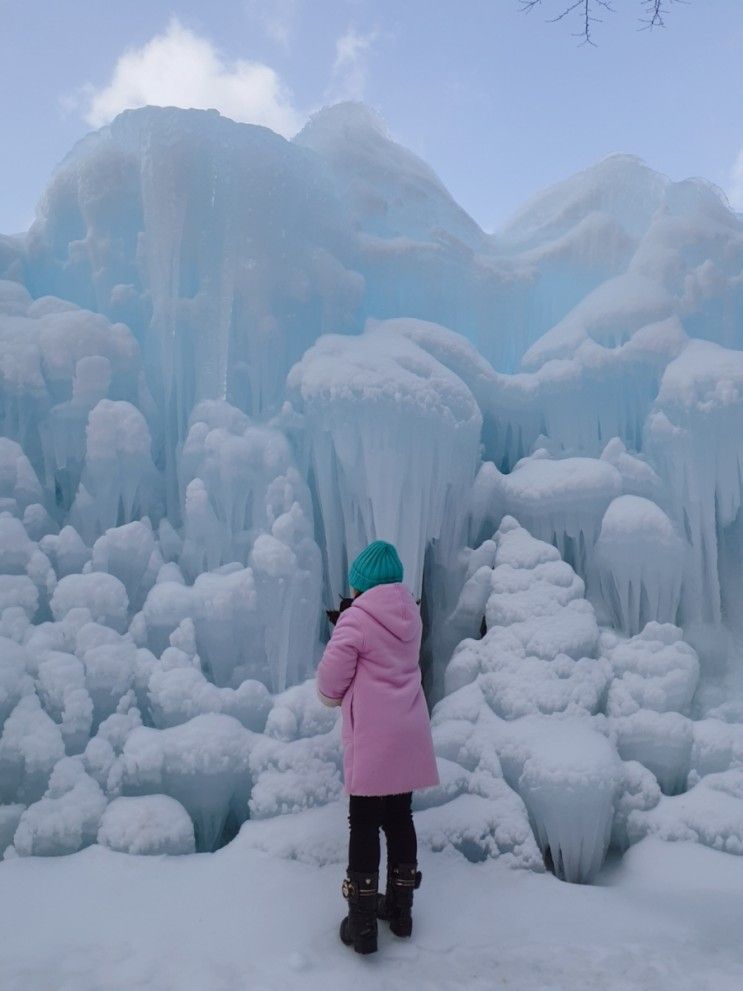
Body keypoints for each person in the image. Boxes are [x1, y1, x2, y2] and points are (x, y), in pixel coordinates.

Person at [316, 540, 440, 955]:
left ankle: (363, 922)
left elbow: (331, 679)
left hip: (373, 738)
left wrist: (331, 695)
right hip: (408, 733)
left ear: (361, 586)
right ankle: (400, 912)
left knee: (364, 822)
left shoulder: (356, 621)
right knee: (400, 818)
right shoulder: (411, 615)